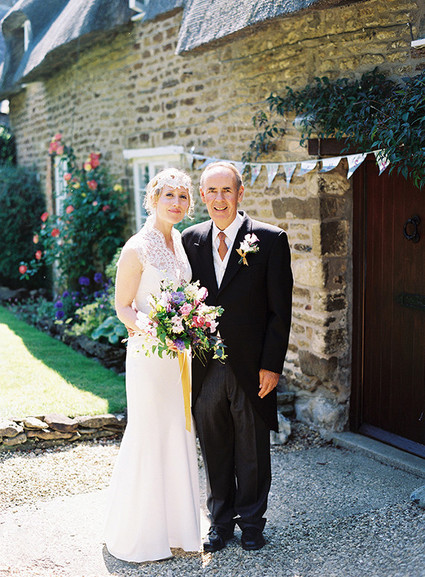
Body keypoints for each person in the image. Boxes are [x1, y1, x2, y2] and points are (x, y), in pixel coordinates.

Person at [182, 161, 293, 552]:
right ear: (202, 195)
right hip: (205, 365)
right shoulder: (190, 240)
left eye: (226, 190)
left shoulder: (270, 239)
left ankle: (252, 523)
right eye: (211, 191)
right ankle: (220, 523)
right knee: (214, 446)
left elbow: (280, 312)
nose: (219, 199)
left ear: (240, 193)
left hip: (251, 366)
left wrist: (272, 365)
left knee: (252, 448)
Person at [104, 168, 200, 562]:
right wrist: (159, 331)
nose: (176, 203)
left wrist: (190, 324)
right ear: (153, 199)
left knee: (177, 430)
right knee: (149, 431)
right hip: (149, 355)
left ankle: (177, 528)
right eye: (169, 196)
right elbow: (123, 306)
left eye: (182, 196)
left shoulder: (179, 242)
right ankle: (141, 534)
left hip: (179, 358)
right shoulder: (136, 248)